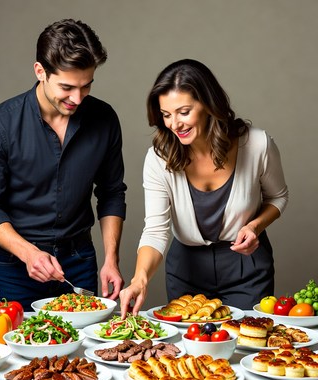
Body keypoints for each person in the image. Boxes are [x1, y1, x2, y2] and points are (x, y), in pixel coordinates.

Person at [0, 19, 127, 311]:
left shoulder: (104, 119)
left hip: (79, 264)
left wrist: (111, 260)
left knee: (79, 355)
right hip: (15, 268)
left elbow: (111, 193)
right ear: (40, 71)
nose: (77, 98)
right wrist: (29, 253)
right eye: (67, 87)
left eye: (86, 86)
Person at [120, 59, 288, 315]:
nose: (175, 124)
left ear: (209, 105)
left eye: (184, 112)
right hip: (186, 269)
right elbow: (155, 230)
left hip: (247, 266)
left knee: (250, 344)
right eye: (166, 115)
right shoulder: (158, 158)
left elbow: (278, 197)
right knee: (192, 352)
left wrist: (255, 226)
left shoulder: (257, 145)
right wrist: (139, 279)